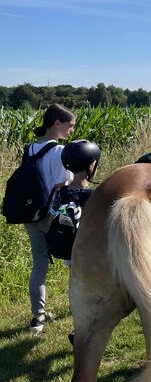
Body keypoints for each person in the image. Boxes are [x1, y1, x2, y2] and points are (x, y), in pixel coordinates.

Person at [25, 104, 76, 333]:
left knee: (39, 266)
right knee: (75, 262)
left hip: (31, 214)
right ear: (56, 123)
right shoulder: (59, 152)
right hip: (54, 216)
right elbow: (62, 183)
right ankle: (79, 310)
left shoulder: (30, 148)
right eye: (69, 126)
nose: (71, 131)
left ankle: (38, 317)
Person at [48, 139, 101, 344]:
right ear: (91, 165)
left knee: (77, 287)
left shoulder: (60, 191)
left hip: (69, 250)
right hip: (91, 251)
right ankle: (83, 327)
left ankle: (79, 324)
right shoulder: (95, 194)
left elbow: (52, 216)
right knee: (94, 289)